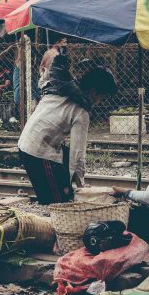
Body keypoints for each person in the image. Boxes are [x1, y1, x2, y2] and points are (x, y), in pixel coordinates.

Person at [17, 55, 118, 204]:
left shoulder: (58, 89)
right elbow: (78, 152)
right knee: (58, 202)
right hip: (39, 151)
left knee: (60, 189)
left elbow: (44, 77)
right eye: (101, 98)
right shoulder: (81, 112)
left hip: (26, 144)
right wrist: (81, 184)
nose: (99, 102)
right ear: (93, 91)